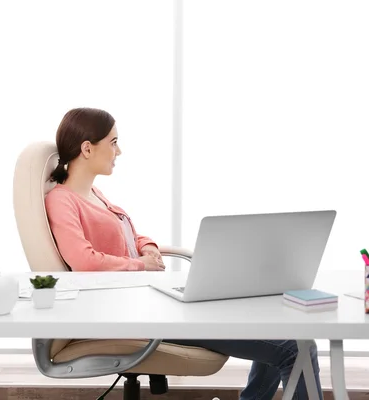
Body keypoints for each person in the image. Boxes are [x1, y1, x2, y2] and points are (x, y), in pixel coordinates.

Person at [44, 107, 323, 400]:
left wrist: (148, 249)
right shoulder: (62, 200)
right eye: (113, 142)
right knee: (295, 347)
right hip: (131, 313)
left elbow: (132, 235)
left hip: (149, 302)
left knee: (281, 331)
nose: (120, 151)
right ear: (87, 148)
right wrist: (141, 265)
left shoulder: (94, 194)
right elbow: (84, 260)